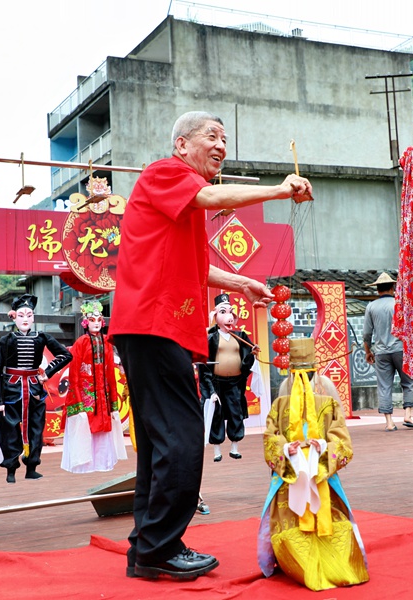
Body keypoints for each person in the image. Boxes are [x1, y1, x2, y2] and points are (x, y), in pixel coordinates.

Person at [109, 110, 312, 581]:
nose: (221, 145)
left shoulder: (181, 203)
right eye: (212, 136)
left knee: (161, 441)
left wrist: (239, 282)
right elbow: (212, 195)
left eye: (225, 138)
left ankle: (147, 548)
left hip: (154, 328)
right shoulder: (167, 174)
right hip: (155, 326)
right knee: (181, 438)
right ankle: (160, 546)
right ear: (182, 144)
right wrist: (279, 190)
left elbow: (189, 267)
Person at [258, 337, 369, 591]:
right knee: (290, 522)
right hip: (291, 477)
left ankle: (331, 564)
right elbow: (271, 440)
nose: (303, 381)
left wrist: (323, 448)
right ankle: (300, 563)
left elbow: (342, 442)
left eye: (305, 375)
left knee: (329, 520)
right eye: (299, 375)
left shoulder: (326, 403)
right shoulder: (280, 405)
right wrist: (287, 449)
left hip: (320, 475)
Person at [0, 294, 72, 483]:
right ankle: (10, 469)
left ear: (34, 318)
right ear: (14, 317)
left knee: (36, 429)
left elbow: (65, 355)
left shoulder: (42, 337)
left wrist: (47, 372)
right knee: (10, 430)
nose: (25, 319)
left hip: (35, 390)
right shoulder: (5, 341)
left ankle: (32, 466)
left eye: (29, 315)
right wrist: (0, 401)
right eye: (21, 315)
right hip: (12, 390)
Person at [61, 300, 126, 473]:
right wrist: (78, 401)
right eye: (92, 320)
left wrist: (113, 401)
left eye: (98, 319)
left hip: (102, 392)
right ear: (85, 322)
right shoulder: (80, 343)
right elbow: (73, 372)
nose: (96, 323)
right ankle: (84, 464)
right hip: (85, 391)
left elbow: (111, 373)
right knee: (85, 426)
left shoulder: (107, 342)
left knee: (103, 428)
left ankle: (103, 463)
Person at [200, 292, 257, 462]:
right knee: (216, 412)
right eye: (223, 312)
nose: (229, 317)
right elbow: (203, 361)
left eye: (231, 312)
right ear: (215, 316)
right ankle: (217, 449)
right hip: (216, 381)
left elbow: (247, 361)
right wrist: (210, 390)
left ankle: (234, 446)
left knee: (235, 412)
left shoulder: (240, 337)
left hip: (234, 382)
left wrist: (252, 354)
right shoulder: (211, 336)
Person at [362, 272, 413, 431]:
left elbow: (367, 333)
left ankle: (389, 422)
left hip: (381, 352)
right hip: (401, 349)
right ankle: (407, 415)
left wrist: (368, 352)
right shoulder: (400, 304)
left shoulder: (371, 307)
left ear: (378, 289)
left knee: (384, 385)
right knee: (407, 382)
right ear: (393, 288)